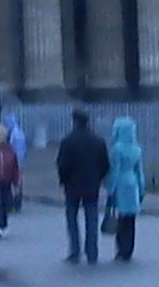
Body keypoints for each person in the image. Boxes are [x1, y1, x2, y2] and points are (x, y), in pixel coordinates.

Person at [55, 108, 110, 265]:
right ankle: (92, 252)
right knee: (91, 218)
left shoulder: (68, 141)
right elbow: (105, 164)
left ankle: (75, 250)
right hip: (92, 185)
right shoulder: (98, 141)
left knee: (72, 218)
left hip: (72, 185)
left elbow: (62, 164)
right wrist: (98, 178)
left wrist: (64, 179)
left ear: (74, 121)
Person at [105, 116, 147, 262]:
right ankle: (129, 248)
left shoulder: (117, 149)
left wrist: (111, 189)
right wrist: (141, 189)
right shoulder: (137, 149)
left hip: (121, 183)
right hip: (133, 182)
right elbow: (140, 172)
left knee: (121, 217)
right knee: (131, 218)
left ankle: (121, 249)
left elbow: (114, 171)